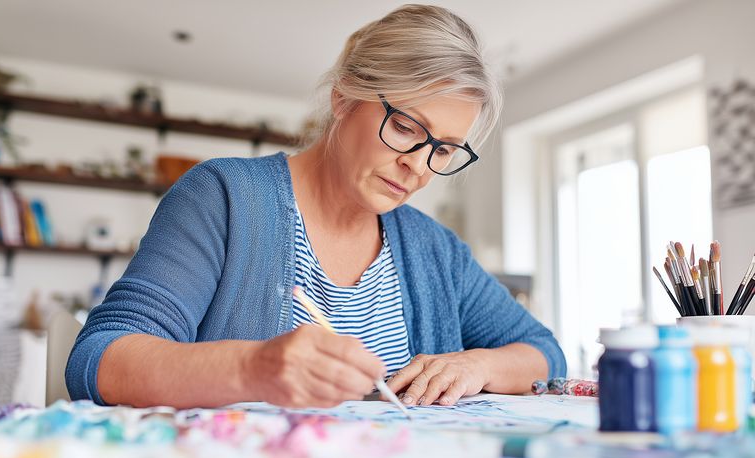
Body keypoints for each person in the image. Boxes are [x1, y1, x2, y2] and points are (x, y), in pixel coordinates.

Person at [66, 4, 566, 410]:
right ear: (345, 98)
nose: (419, 166)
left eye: (442, 150)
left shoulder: (433, 250)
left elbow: (545, 355)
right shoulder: (225, 198)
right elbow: (99, 359)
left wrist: (476, 365)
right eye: (406, 128)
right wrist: (251, 368)